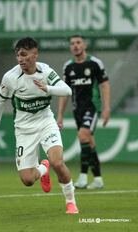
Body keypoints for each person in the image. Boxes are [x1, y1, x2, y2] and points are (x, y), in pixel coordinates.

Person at [0, 37, 79, 214]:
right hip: (24, 130)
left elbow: (67, 90)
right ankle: (43, 168)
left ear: (35, 54)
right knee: (28, 180)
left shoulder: (45, 71)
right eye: (18, 55)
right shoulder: (11, 77)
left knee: (58, 162)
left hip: (46, 122)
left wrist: (48, 88)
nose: (21, 59)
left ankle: (71, 202)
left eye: (24, 54)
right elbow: (0, 102)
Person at [57, 35, 111, 190]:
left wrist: (106, 108)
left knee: (82, 135)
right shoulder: (68, 66)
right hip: (77, 110)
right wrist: (60, 114)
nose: (75, 46)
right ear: (70, 47)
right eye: (72, 43)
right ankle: (98, 179)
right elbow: (64, 92)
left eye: (78, 42)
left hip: (92, 107)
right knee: (89, 141)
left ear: (84, 45)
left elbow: (105, 85)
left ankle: (82, 177)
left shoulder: (94, 63)